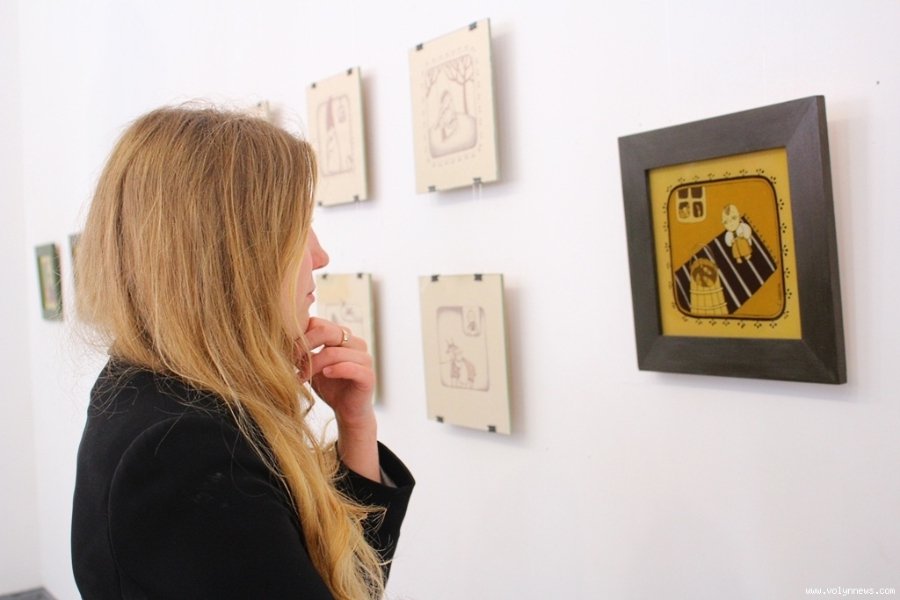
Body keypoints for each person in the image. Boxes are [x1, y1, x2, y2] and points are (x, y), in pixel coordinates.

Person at [71, 106, 414, 599]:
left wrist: (356, 427)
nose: (320, 256)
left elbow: (340, 579)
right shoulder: (185, 451)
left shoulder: (148, 388)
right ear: (232, 254)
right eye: (298, 227)